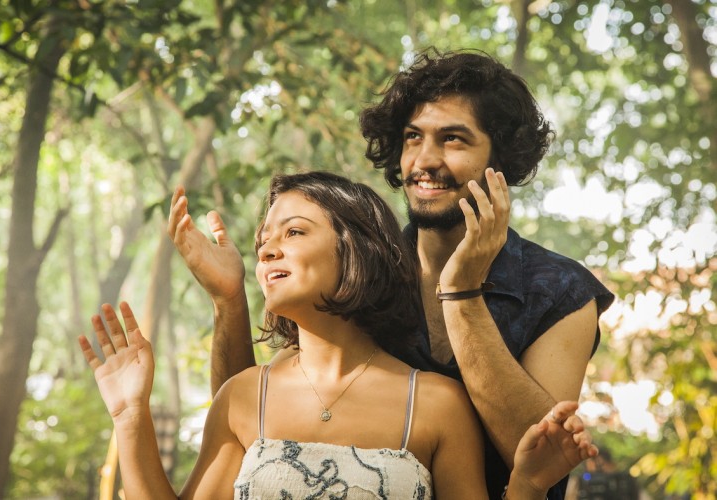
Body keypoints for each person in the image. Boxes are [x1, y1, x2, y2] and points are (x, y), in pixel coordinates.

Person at [168, 50, 615, 499]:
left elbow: (541, 458)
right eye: (412, 138)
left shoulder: (561, 291)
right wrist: (229, 303)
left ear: (502, 159)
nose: (426, 160)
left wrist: (461, 293)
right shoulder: (361, 271)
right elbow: (259, 418)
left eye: (454, 139)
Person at [81, 171, 598, 499]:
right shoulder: (242, 396)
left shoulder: (438, 404)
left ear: (356, 250)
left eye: (294, 232)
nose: (265, 251)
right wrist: (130, 416)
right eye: (264, 241)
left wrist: (528, 485)